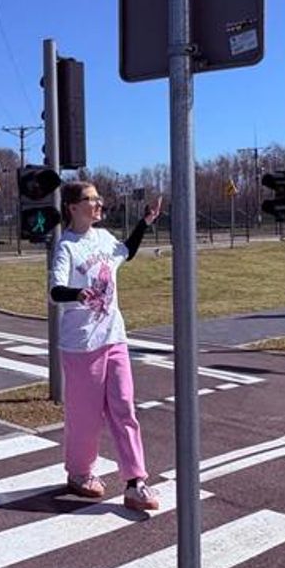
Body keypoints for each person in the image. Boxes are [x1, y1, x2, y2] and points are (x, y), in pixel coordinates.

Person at [49, 181, 162, 511]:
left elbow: (126, 251)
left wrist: (145, 222)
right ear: (73, 207)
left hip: (114, 337)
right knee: (85, 417)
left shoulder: (104, 237)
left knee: (124, 408)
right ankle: (79, 472)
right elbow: (55, 291)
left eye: (98, 198)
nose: (99, 203)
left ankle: (135, 482)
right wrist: (77, 294)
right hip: (82, 345)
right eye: (91, 199)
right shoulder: (66, 246)